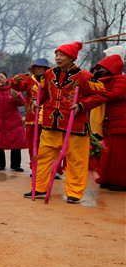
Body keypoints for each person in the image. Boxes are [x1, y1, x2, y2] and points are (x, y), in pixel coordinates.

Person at [25, 41, 107, 203]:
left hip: (75, 126)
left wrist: (82, 105)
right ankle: (39, 187)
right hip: (50, 124)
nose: (58, 58)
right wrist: (36, 101)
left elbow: (102, 94)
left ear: (71, 58)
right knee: (43, 157)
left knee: (76, 160)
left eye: (62, 55)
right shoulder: (49, 74)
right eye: (57, 54)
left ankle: (74, 193)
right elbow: (43, 93)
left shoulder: (84, 76)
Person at [93, 54, 126, 191]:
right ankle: (109, 178)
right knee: (109, 152)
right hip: (111, 120)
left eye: (104, 67)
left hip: (121, 120)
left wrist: (100, 93)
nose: (102, 69)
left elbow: (116, 95)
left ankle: (121, 181)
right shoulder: (109, 80)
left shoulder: (122, 79)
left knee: (120, 153)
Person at [12, 58, 51, 162]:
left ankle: (52, 169)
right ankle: (34, 167)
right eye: (36, 68)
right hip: (32, 117)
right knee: (33, 144)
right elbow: (19, 87)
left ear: (46, 69)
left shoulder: (50, 80)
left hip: (48, 117)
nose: (38, 70)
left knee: (49, 144)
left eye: (40, 68)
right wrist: (15, 81)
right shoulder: (29, 80)